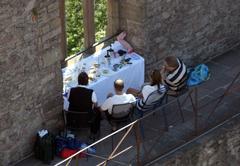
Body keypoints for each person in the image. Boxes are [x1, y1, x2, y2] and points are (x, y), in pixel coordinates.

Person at [67, 72, 100, 140]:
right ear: (87, 82)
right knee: (98, 111)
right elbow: (96, 104)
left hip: (73, 117)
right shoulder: (91, 92)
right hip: (86, 117)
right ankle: (94, 132)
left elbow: (68, 100)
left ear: (78, 81)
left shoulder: (71, 90)